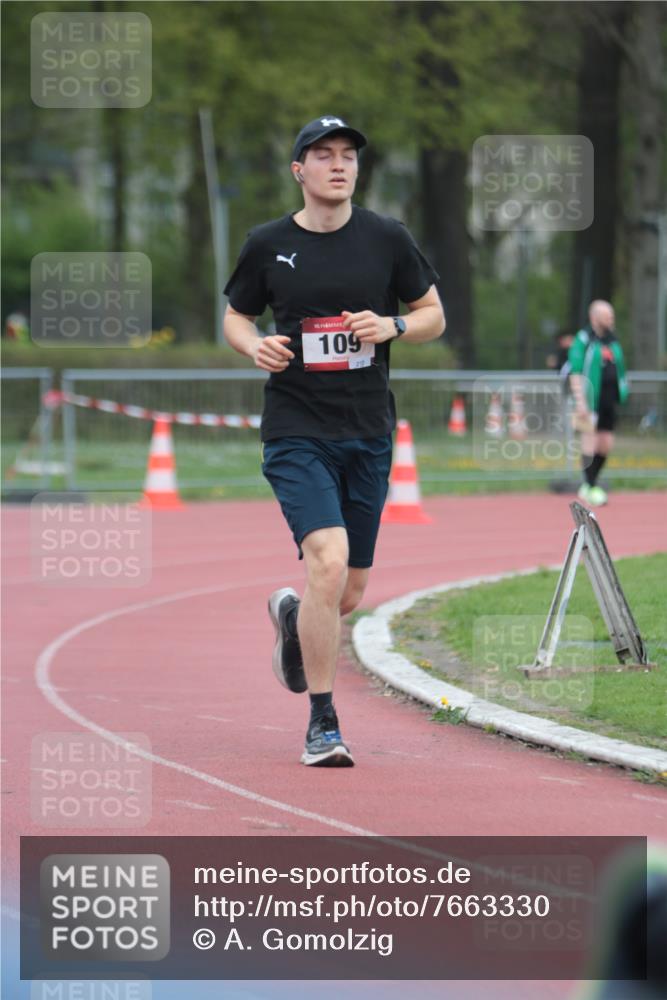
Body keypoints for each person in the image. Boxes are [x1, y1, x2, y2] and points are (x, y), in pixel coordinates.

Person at [223, 115, 445, 767]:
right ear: (299, 170)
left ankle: (295, 619)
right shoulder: (266, 244)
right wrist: (252, 344)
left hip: (368, 430)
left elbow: (432, 315)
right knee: (326, 560)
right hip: (296, 427)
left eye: (347, 155)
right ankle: (323, 723)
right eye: (322, 155)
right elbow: (237, 314)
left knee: (346, 592)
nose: (338, 164)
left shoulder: (386, 239)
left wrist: (394, 325)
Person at [569, 300, 628, 507]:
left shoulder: (612, 341)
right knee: (589, 441)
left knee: (605, 444)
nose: (611, 319)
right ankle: (590, 486)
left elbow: (619, 368)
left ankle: (590, 484)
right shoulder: (584, 339)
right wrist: (580, 401)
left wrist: (623, 388)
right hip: (588, 402)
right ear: (594, 317)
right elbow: (575, 371)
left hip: (608, 401)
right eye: (607, 315)